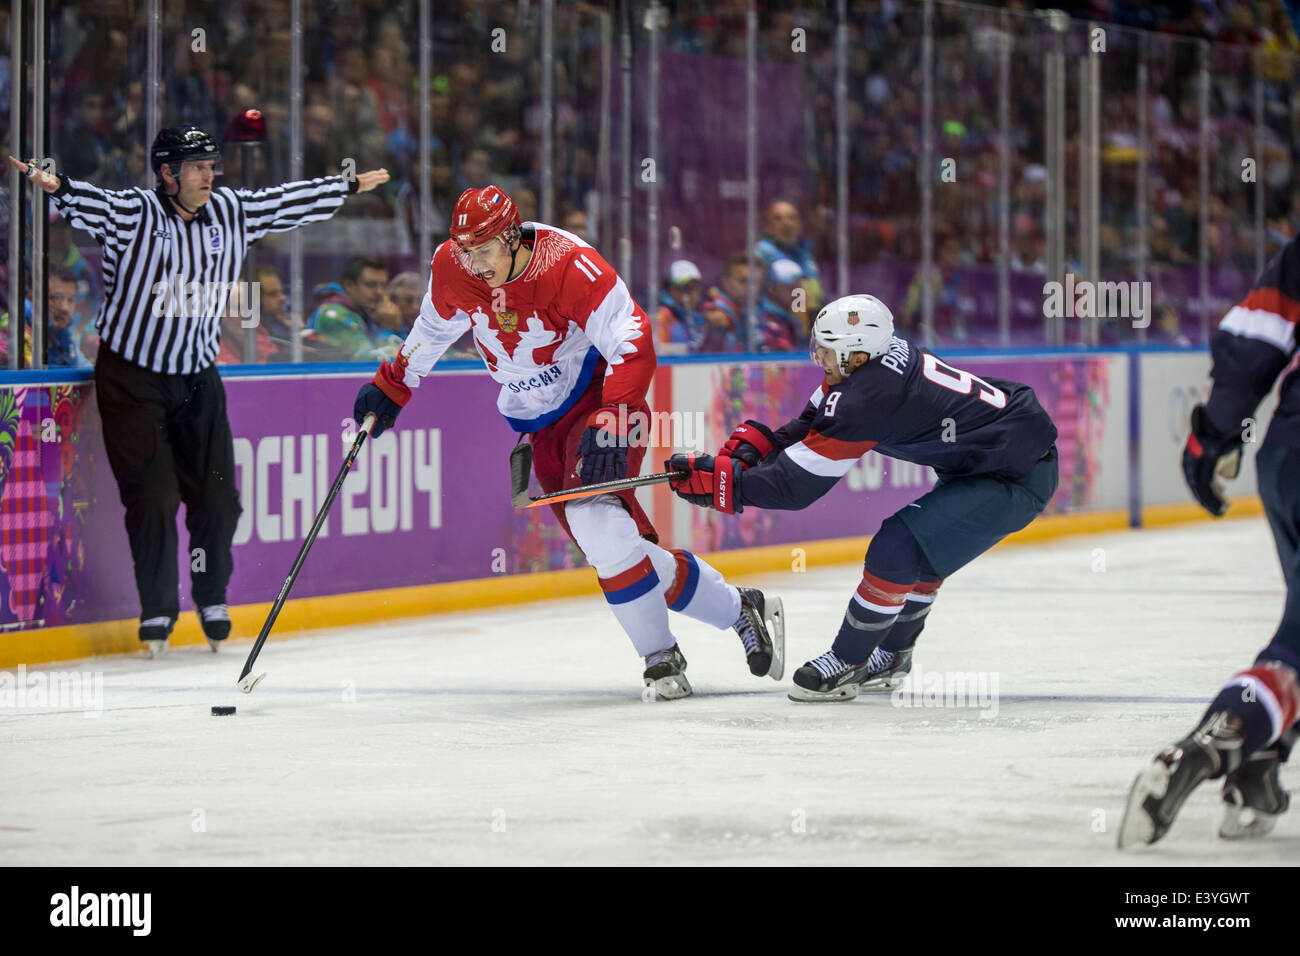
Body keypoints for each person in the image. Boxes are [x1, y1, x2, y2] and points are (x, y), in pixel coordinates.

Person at [352, 185, 784, 698]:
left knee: (596, 522)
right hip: (539, 424)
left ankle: (660, 659)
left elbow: (634, 340)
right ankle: (739, 608)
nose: (473, 264)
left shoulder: (570, 265)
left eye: (484, 250)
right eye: (464, 251)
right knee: (613, 544)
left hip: (600, 403)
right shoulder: (454, 266)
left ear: (512, 237)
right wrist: (395, 384)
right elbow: (434, 326)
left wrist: (615, 418)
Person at [7, 129, 389, 656]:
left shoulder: (231, 211)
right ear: (167, 173)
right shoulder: (136, 214)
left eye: (211, 164)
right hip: (132, 377)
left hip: (197, 378)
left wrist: (344, 186)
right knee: (155, 496)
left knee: (219, 498)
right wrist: (45, 179)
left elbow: (283, 202)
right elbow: (86, 200)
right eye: (196, 167)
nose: (209, 175)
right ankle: (159, 609)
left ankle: (210, 596)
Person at [667, 294, 1058, 702]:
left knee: (897, 547)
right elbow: (812, 423)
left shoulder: (868, 395)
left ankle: (848, 661)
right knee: (919, 556)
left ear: (856, 356)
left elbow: (796, 487)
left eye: (826, 352)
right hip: (1003, 454)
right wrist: (765, 448)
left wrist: (726, 488)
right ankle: (891, 657)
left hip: (1017, 471)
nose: (819, 359)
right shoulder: (866, 367)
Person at [1118, 235, 1300, 848]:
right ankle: (1215, 746)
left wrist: (1215, 435)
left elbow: (1257, 338)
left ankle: (1258, 768)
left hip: (1288, 454)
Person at [307, 256, 402, 361]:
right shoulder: (335, 315)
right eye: (371, 285)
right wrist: (387, 328)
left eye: (383, 286)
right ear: (349, 285)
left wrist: (397, 328)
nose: (379, 292)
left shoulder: (366, 312)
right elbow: (370, 363)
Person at [754, 199, 824, 317]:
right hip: (776, 323)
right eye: (778, 219)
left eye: (792, 218)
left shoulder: (805, 252)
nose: (787, 223)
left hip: (808, 321)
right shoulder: (761, 254)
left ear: (800, 224)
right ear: (767, 226)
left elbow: (813, 291)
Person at [655, 259, 737, 354]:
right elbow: (658, 351)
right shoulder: (663, 317)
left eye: (693, 288)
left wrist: (717, 330)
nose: (687, 294)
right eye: (681, 288)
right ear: (669, 291)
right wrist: (687, 349)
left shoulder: (709, 314)